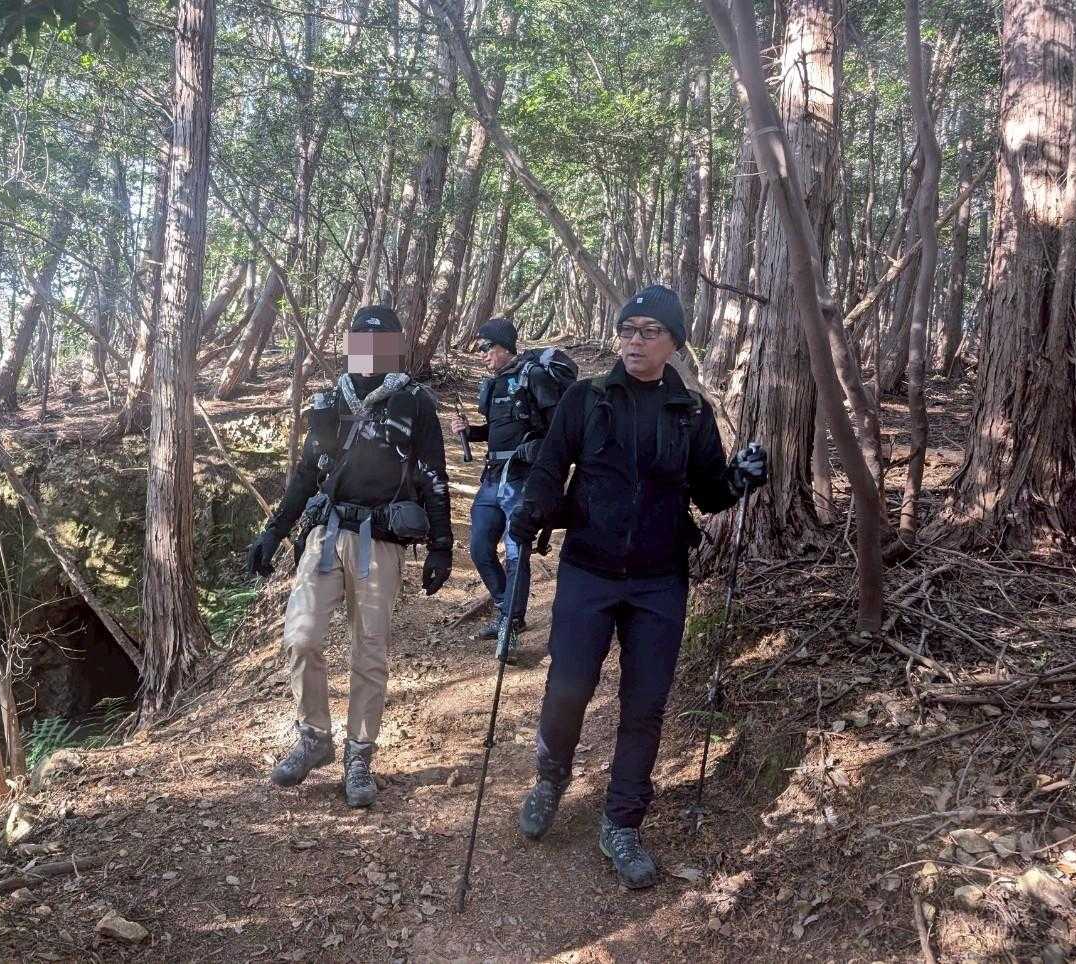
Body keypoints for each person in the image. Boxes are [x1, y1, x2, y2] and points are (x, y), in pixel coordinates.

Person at [508, 284, 767, 888]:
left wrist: (740, 479)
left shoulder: (691, 412)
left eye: (650, 331)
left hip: (659, 581)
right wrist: (532, 508)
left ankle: (623, 821)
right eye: (627, 329)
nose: (634, 341)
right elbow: (550, 467)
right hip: (587, 570)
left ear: (674, 343)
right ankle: (550, 779)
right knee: (568, 686)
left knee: (645, 704)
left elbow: (709, 493)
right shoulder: (585, 398)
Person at [246, 306, 453, 808]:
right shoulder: (329, 402)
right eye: (361, 339)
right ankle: (314, 737)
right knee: (301, 637)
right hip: (326, 531)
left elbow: (433, 476)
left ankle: (359, 754)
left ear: (396, 347)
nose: (370, 350)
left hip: (380, 539)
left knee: (370, 651)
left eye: (380, 341)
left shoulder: (414, 403)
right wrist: (273, 533)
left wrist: (442, 545)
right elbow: (305, 474)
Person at [449, 317, 569, 658]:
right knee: (479, 547)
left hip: (522, 480)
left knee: (516, 552)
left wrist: (538, 452)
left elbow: (560, 427)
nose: (482, 354)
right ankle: (507, 609)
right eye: (480, 349)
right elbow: (497, 430)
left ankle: (510, 623)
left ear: (504, 346)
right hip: (491, 478)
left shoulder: (533, 377)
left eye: (486, 347)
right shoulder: (496, 384)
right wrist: (470, 432)